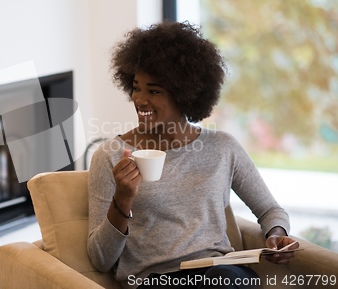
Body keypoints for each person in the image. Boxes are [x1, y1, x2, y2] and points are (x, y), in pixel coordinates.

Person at [87, 22, 299, 289]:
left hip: (221, 274)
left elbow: (270, 211)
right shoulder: (111, 156)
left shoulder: (223, 147)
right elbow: (100, 259)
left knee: (225, 279)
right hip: (155, 281)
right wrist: (122, 199)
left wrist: (276, 235)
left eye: (154, 91)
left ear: (185, 95)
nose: (139, 100)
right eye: (136, 87)